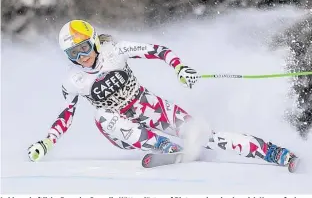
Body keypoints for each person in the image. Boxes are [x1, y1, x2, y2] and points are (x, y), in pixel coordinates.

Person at [28, 19, 298, 169]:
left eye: (84, 48)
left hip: (149, 106)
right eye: (74, 55)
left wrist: (180, 68)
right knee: (102, 115)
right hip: (120, 127)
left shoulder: (116, 51)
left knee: (205, 136)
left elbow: (159, 51)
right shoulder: (73, 80)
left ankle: (273, 152)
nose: (82, 58)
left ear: (95, 40)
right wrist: (47, 143)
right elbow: (66, 115)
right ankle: (163, 146)